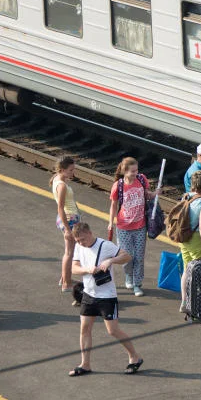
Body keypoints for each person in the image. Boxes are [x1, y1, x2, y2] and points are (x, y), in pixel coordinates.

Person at [69, 222, 143, 376]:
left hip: (107, 296)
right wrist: (86, 270)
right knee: (84, 329)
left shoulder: (105, 245)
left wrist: (111, 261)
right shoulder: (79, 247)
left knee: (113, 330)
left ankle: (135, 357)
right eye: (77, 241)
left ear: (89, 233)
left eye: (82, 239)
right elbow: (74, 268)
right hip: (89, 294)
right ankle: (85, 364)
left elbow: (127, 256)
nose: (80, 243)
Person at [108, 157, 156, 297]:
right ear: (124, 171)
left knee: (139, 257)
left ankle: (137, 284)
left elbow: (148, 196)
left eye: (137, 170)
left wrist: (155, 194)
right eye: (133, 171)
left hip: (140, 225)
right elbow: (113, 205)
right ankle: (128, 276)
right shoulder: (118, 185)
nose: (136, 173)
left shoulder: (142, 179)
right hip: (123, 227)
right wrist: (111, 222)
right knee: (127, 257)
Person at [178, 171, 201, 310]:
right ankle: (197, 303)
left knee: (187, 269)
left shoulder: (185, 197)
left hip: (184, 238)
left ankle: (184, 302)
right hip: (196, 239)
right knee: (199, 270)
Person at [51, 157, 80, 293]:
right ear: (62, 169)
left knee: (70, 251)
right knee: (69, 252)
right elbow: (60, 207)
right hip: (69, 219)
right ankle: (66, 284)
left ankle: (65, 278)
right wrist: (68, 229)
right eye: (70, 170)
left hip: (68, 218)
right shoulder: (61, 185)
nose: (73, 173)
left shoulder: (57, 178)